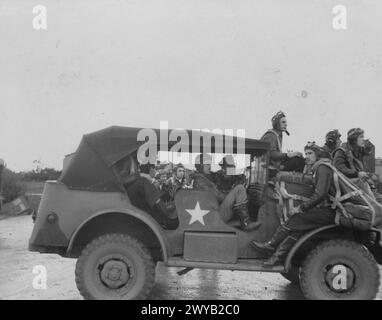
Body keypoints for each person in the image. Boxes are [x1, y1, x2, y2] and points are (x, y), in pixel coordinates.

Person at [251, 142, 336, 267]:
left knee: (296, 217)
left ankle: (272, 247)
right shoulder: (318, 167)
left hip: (331, 211)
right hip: (328, 209)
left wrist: (301, 208)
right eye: (306, 153)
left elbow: (320, 194)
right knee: (298, 227)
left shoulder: (323, 168)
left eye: (310, 153)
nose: (307, 156)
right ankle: (276, 255)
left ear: (317, 155)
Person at [191, 153, 261, 231]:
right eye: (207, 164)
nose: (210, 167)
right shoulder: (201, 181)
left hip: (211, 213)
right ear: (200, 166)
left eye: (210, 164)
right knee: (240, 189)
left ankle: (243, 221)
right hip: (212, 216)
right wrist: (232, 195)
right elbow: (217, 196)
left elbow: (217, 190)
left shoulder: (204, 178)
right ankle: (246, 223)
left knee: (239, 193)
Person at [113, 155, 178, 229]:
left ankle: (163, 217)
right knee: (142, 182)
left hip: (131, 194)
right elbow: (118, 181)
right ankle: (164, 210)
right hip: (123, 194)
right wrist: (140, 175)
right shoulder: (122, 159)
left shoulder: (130, 157)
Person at [333, 128, 379, 200]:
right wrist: (357, 174)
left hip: (356, 183)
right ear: (353, 139)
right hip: (346, 184)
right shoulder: (341, 151)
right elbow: (339, 168)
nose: (363, 139)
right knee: (374, 202)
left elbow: (366, 152)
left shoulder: (357, 151)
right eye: (361, 137)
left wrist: (368, 176)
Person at [261, 111, 304, 178]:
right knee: (298, 161)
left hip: (275, 164)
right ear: (277, 124)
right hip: (269, 168)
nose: (286, 124)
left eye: (286, 122)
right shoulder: (271, 135)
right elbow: (271, 153)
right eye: (283, 122)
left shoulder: (278, 135)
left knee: (299, 157)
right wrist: (288, 155)